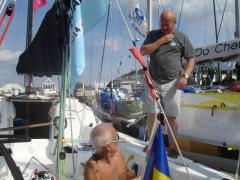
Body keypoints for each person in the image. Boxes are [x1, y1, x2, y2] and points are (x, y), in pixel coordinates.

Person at [140, 9, 195, 158]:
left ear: (174, 23)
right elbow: (143, 51)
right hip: (152, 80)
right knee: (152, 114)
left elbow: (191, 59)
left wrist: (185, 75)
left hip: (173, 82)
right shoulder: (153, 35)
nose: (164, 27)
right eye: (162, 24)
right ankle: (151, 145)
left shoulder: (182, 37)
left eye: (167, 25)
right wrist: (160, 41)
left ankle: (172, 148)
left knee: (171, 117)